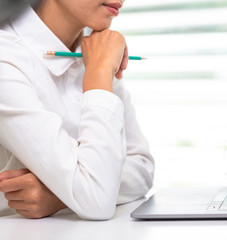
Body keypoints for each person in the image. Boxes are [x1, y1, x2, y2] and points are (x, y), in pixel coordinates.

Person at [0, 0, 154, 220]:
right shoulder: (5, 58)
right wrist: (99, 73)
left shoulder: (98, 48)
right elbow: (96, 199)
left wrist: (59, 196)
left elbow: (142, 168)